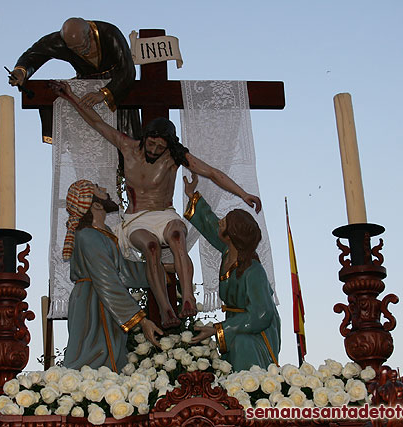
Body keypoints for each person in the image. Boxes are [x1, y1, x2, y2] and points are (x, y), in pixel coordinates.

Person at [52, 80, 262, 329]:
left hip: (164, 213)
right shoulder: (128, 147)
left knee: (176, 236)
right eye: (151, 144)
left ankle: (187, 299)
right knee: (151, 247)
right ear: (144, 138)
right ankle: (165, 310)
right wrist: (70, 97)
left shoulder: (174, 158)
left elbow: (213, 173)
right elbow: (96, 123)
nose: (153, 150)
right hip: (136, 218)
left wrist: (243, 193)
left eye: (160, 147)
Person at [62, 179, 162, 372]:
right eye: (99, 190)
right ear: (96, 204)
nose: (105, 190)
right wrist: (141, 320)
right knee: (92, 357)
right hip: (92, 303)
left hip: (102, 301)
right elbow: (107, 280)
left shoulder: (103, 233)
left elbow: (123, 271)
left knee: (111, 354)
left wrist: (160, 269)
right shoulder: (87, 236)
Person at [184, 173, 280, 372]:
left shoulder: (254, 271)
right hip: (237, 326)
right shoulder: (229, 250)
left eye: (225, 221)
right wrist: (192, 195)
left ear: (232, 234)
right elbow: (211, 224)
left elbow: (262, 314)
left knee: (244, 355)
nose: (221, 222)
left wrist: (218, 330)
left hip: (256, 331)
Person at [9, 17, 139, 143]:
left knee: (125, 138)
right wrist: (21, 71)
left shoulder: (109, 33)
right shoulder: (59, 41)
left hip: (116, 87)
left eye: (81, 46)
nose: (79, 52)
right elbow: (34, 54)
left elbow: (127, 69)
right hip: (85, 87)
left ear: (89, 34)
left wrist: (104, 93)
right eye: (73, 49)